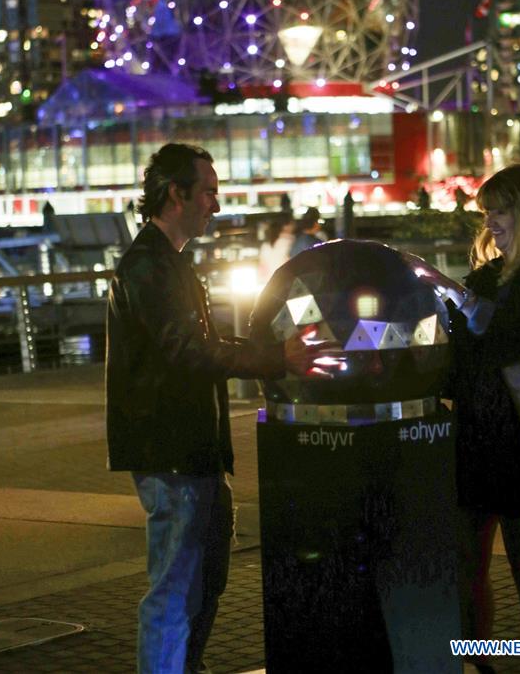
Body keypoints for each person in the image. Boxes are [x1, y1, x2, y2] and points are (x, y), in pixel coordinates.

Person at [105, 143, 320, 674]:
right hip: (172, 450)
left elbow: (195, 342)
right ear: (176, 194)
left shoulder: (168, 263)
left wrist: (259, 352)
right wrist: (274, 358)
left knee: (203, 581)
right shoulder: (148, 266)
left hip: (193, 448)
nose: (215, 206)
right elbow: (188, 349)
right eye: (208, 193)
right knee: (176, 587)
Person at [405, 164, 520, 674]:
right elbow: (461, 347)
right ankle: (477, 660)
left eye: (498, 211)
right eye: (487, 213)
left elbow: (514, 337)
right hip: (478, 427)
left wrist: (450, 290)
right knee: (468, 561)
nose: (491, 222)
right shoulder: (489, 272)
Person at [257, 213, 295, 285]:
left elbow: (262, 269)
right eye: (292, 224)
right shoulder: (290, 241)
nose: (294, 226)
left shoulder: (265, 246)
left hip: (269, 285)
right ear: (286, 226)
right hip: (285, 284)